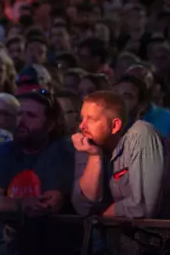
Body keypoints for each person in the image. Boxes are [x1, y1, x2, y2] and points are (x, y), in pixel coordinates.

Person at [72, 90, 170, 218]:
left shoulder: (140, 135)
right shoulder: (89, 142)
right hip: (114, 235)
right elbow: (83, 206)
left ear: (115, 126)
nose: (82, 126)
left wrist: (106, 216)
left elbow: (142, 206)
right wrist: (94, 156)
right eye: (82, 118)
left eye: (91, 119)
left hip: (155, 235)